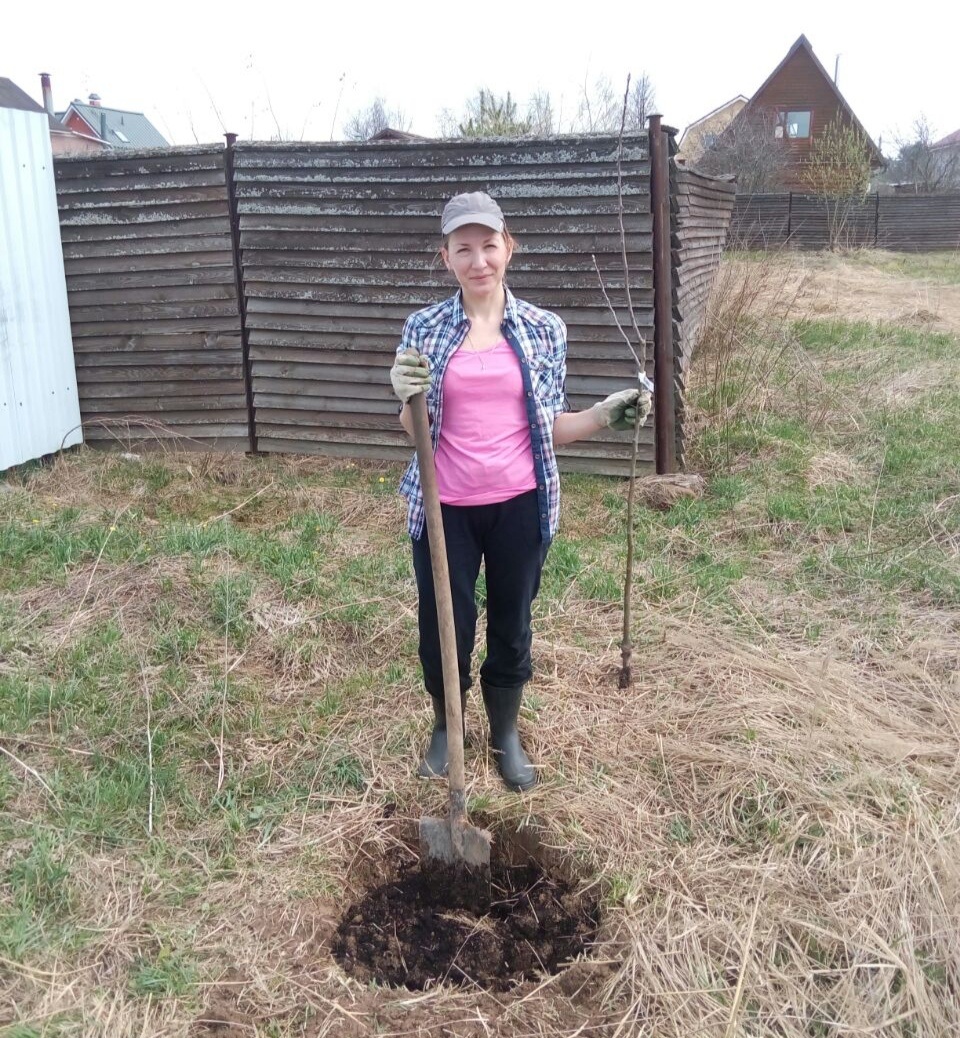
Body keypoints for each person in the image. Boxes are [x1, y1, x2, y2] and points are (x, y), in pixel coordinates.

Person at [390, 191, 651, 793]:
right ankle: (445, 728)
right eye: (464, 248)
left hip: (520, 504)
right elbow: (416, 432)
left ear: (509, 247)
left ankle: (505, 733)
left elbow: (548, 427)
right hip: (444, 504)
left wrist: (605, 414)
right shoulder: (423, 327)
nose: (478, 260)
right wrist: (403, 393)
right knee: (443, 623)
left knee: (513, 623)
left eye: (489, 245)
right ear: (446, 257)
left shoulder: (543, 329)